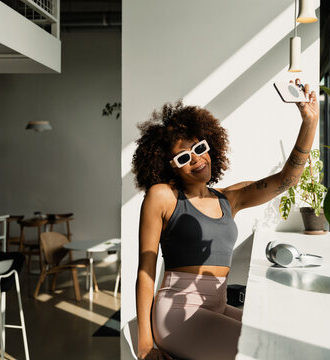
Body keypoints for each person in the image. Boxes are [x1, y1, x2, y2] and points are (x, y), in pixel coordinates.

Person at [133, 80, 319, 360]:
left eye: (198, 148)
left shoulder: (230, 198)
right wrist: (145, 343)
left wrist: (310, 122)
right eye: (183, 157)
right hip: (178, 315)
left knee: (286, 341)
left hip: (217, 307)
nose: (196, 159)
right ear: (167, 166)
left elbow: (285, 180)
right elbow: (145, 273)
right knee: (268, 351)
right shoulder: (163, 197)